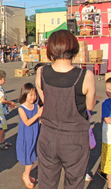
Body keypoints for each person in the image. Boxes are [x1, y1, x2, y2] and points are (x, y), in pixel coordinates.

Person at [35, 30, 96, 189]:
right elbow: (89, 106)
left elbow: (45, 100)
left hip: (48, 135)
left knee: (46, 183)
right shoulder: (85, 75)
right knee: (74, 183)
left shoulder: (41, 72)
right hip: (75, 139)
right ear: (74, 48)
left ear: (50, 49)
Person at [16, 83, 43, 189]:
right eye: (30, 95)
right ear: (24, 94)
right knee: (29, 156)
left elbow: (40, 121)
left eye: (34, 95)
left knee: (32, 154)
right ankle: (26, 175)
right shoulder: (21, 108)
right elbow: (27, 122)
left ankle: (27, 174)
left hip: (35, 134)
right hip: (26, 136)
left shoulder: (36, 106)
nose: (33, 97)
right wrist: (37, 115)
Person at [0, 70, 16, 150]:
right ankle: (0, 142)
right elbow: (2, 100)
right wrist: (10, 102)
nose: (5, 80)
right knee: (2, 128)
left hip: (1, 111)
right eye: (3, 79)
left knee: (4, 127)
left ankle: (2, 140)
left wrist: (8, 104)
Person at [98, 77, 111, 187]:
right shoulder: (106, 103)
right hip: (109, 139)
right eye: (107, 89)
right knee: (110, 165)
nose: (108, 91)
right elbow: (107, 119)